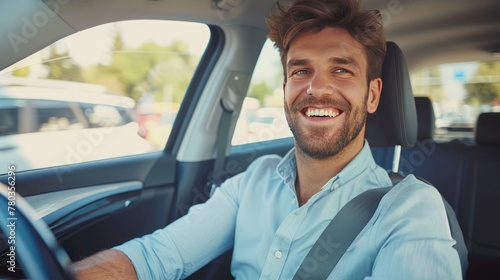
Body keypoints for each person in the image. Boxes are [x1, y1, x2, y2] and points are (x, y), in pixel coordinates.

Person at [73, 0, 462, 279]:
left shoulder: (410, 209)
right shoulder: (252, 183)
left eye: (341, 70)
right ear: (286, 87)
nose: (316, 87)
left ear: (373, 95)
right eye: (300, 70)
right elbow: (155, 258)